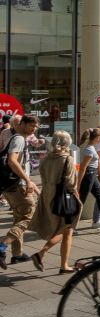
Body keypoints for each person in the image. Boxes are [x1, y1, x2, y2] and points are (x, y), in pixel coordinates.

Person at [28, 131, 81, 274]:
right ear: (67, 144)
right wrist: (78, 199)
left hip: (48, 196)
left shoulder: (45, 159)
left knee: (62, 229)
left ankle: (58, 262)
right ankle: (48, 257)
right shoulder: (67, 159)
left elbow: (43, 178)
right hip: (63, 198)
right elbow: (71, 184)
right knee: (67, 229)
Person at [0, 115, 40, 269]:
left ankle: (17, 254)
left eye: (36, 127)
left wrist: (33, 186)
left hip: (10, 185)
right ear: (22, 124)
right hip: (17, 186)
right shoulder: (19, 139)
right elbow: (12, 160)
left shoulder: (18, 138)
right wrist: (28, 181)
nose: (34, 129)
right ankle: (2, 247)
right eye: (31, 125)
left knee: (18, 219)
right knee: (28, 216)